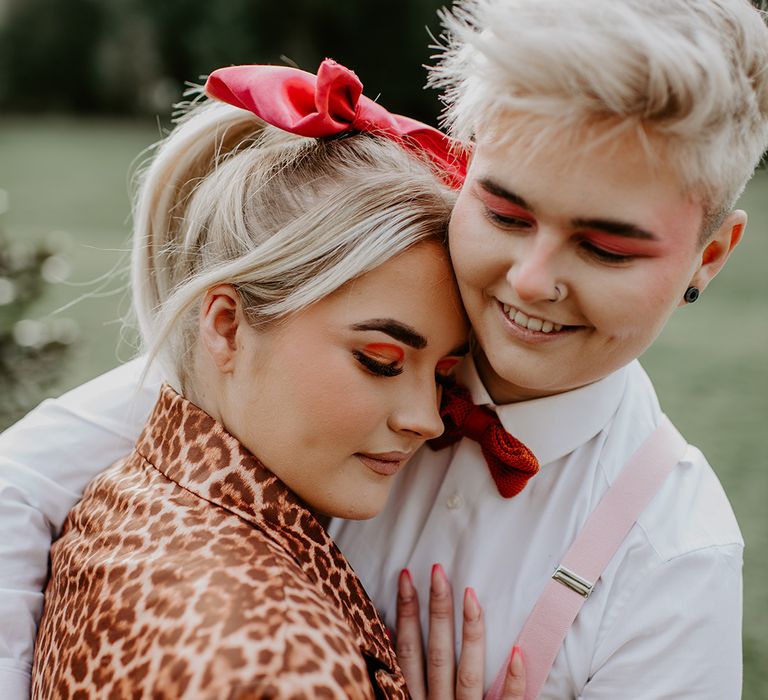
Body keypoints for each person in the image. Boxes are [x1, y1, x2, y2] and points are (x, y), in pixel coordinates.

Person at [2, 0, 767, 697]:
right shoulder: (336, 331)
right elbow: (20, 484)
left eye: (604, 249)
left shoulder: (673, 563)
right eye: (504, 213)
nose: (530, 282)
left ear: (709, 256)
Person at [20, 61, 528, 699]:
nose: (427, 420)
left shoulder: (123, 504)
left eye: (444, 376)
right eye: (380, 359)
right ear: (228, 325)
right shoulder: (273, 664)